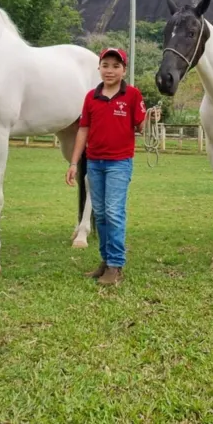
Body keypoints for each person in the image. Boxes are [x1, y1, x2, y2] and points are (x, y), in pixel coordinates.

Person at [65, 47, 146, 286]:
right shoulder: (91, 97)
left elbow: (141, 127)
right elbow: (83, 129)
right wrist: (74, 162)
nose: (110, 71)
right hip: (94, 163)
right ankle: (105, 260)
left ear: (123, 70)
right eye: (105, 65)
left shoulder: (132, 95)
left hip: (119, 163)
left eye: (115, 66)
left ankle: (115, 265)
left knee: (113, 212)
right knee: (99, 214)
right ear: (99, 68)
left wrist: (150, 119)